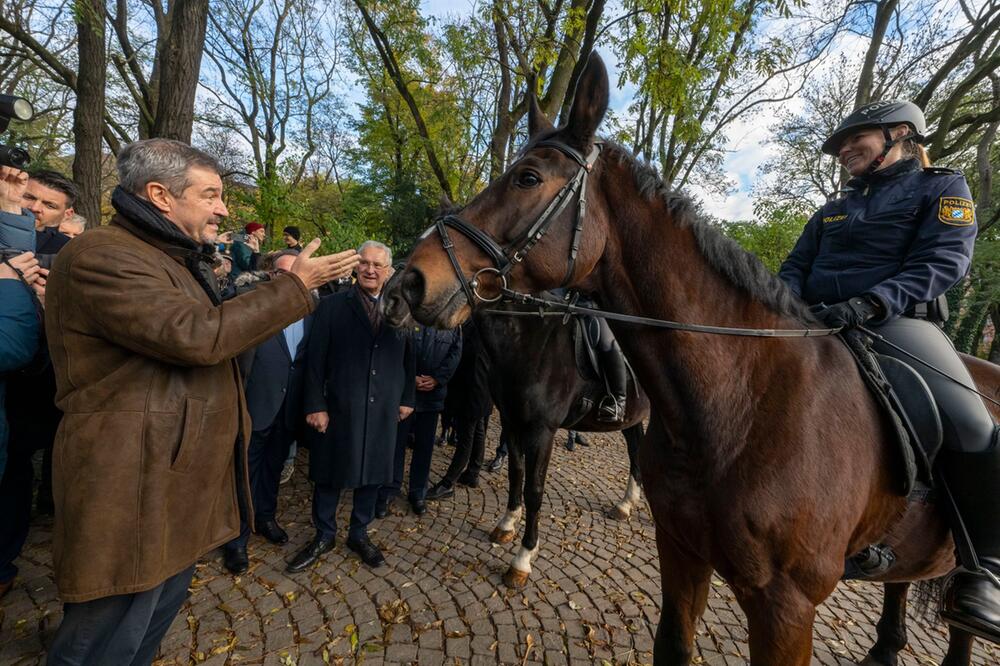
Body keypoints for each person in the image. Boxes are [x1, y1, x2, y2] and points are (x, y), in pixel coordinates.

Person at [42, 138, 358, 664]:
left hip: (170, 482)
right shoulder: (103, 255)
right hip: (133, 484)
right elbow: (199, 336)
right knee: (104, 636)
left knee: (144, 630)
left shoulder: (169, 257)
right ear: (161, 195)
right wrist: (293, 286)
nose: (224, 208)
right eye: (211, 194)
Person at [778, 100, 1000, 641]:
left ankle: (987, 571)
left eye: (856, 140)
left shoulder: (943, 189)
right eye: (839, 146)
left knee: (972, 423)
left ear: (900, 134)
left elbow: (944, 263)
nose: (844, 151)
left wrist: (871, 304)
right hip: (813, 324)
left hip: (895, 323)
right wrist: (780, 306)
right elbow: (794, 267)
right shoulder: (832, 208)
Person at [290, 241, 415, 572]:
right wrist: (315, 404)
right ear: (356, 266)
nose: (370, 270)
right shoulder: (331, 306)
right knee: (329, 474)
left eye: (378, 265)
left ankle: (359, 533)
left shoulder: (401, 307)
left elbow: (409, 358)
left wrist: (407, 398)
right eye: (365, 263)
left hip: (384, 407)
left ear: (389, 272)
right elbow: (314, 360)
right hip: (339, 405)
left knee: (373, 474)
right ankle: (324, 534)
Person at [222, 250, 314, 574]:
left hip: (288, 411)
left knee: (274, 468)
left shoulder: (311, 310)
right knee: (244, 472)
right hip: (255, 406)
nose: (289, 280)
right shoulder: (254, 307)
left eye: (295, 274)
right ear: (271, 276)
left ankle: (266, 517)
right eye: (282, 274)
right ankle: (236, 537)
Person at [377, 323, 462, 516]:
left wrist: (437, 379)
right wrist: (409, 378)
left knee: (425, 447)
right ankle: (389, 488)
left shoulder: (452, 323)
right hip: (404, 393)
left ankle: (418, 492)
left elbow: (455, 353)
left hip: (433, 397)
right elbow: (394, 351)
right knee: (395, 445)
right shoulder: (410, 317)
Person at [426, 319, 493, 500]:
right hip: (481, 389)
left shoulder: (479, 323)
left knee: (467, 436)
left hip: (473, 388)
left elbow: (466, 354)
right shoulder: (485, 321)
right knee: (477, 429)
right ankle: (473, 472)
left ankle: (448, 483)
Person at [23, 169, 77, 255]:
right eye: (28, 197)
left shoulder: (68, 251)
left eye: (49, 206)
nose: (34, 208)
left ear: (66, 215)